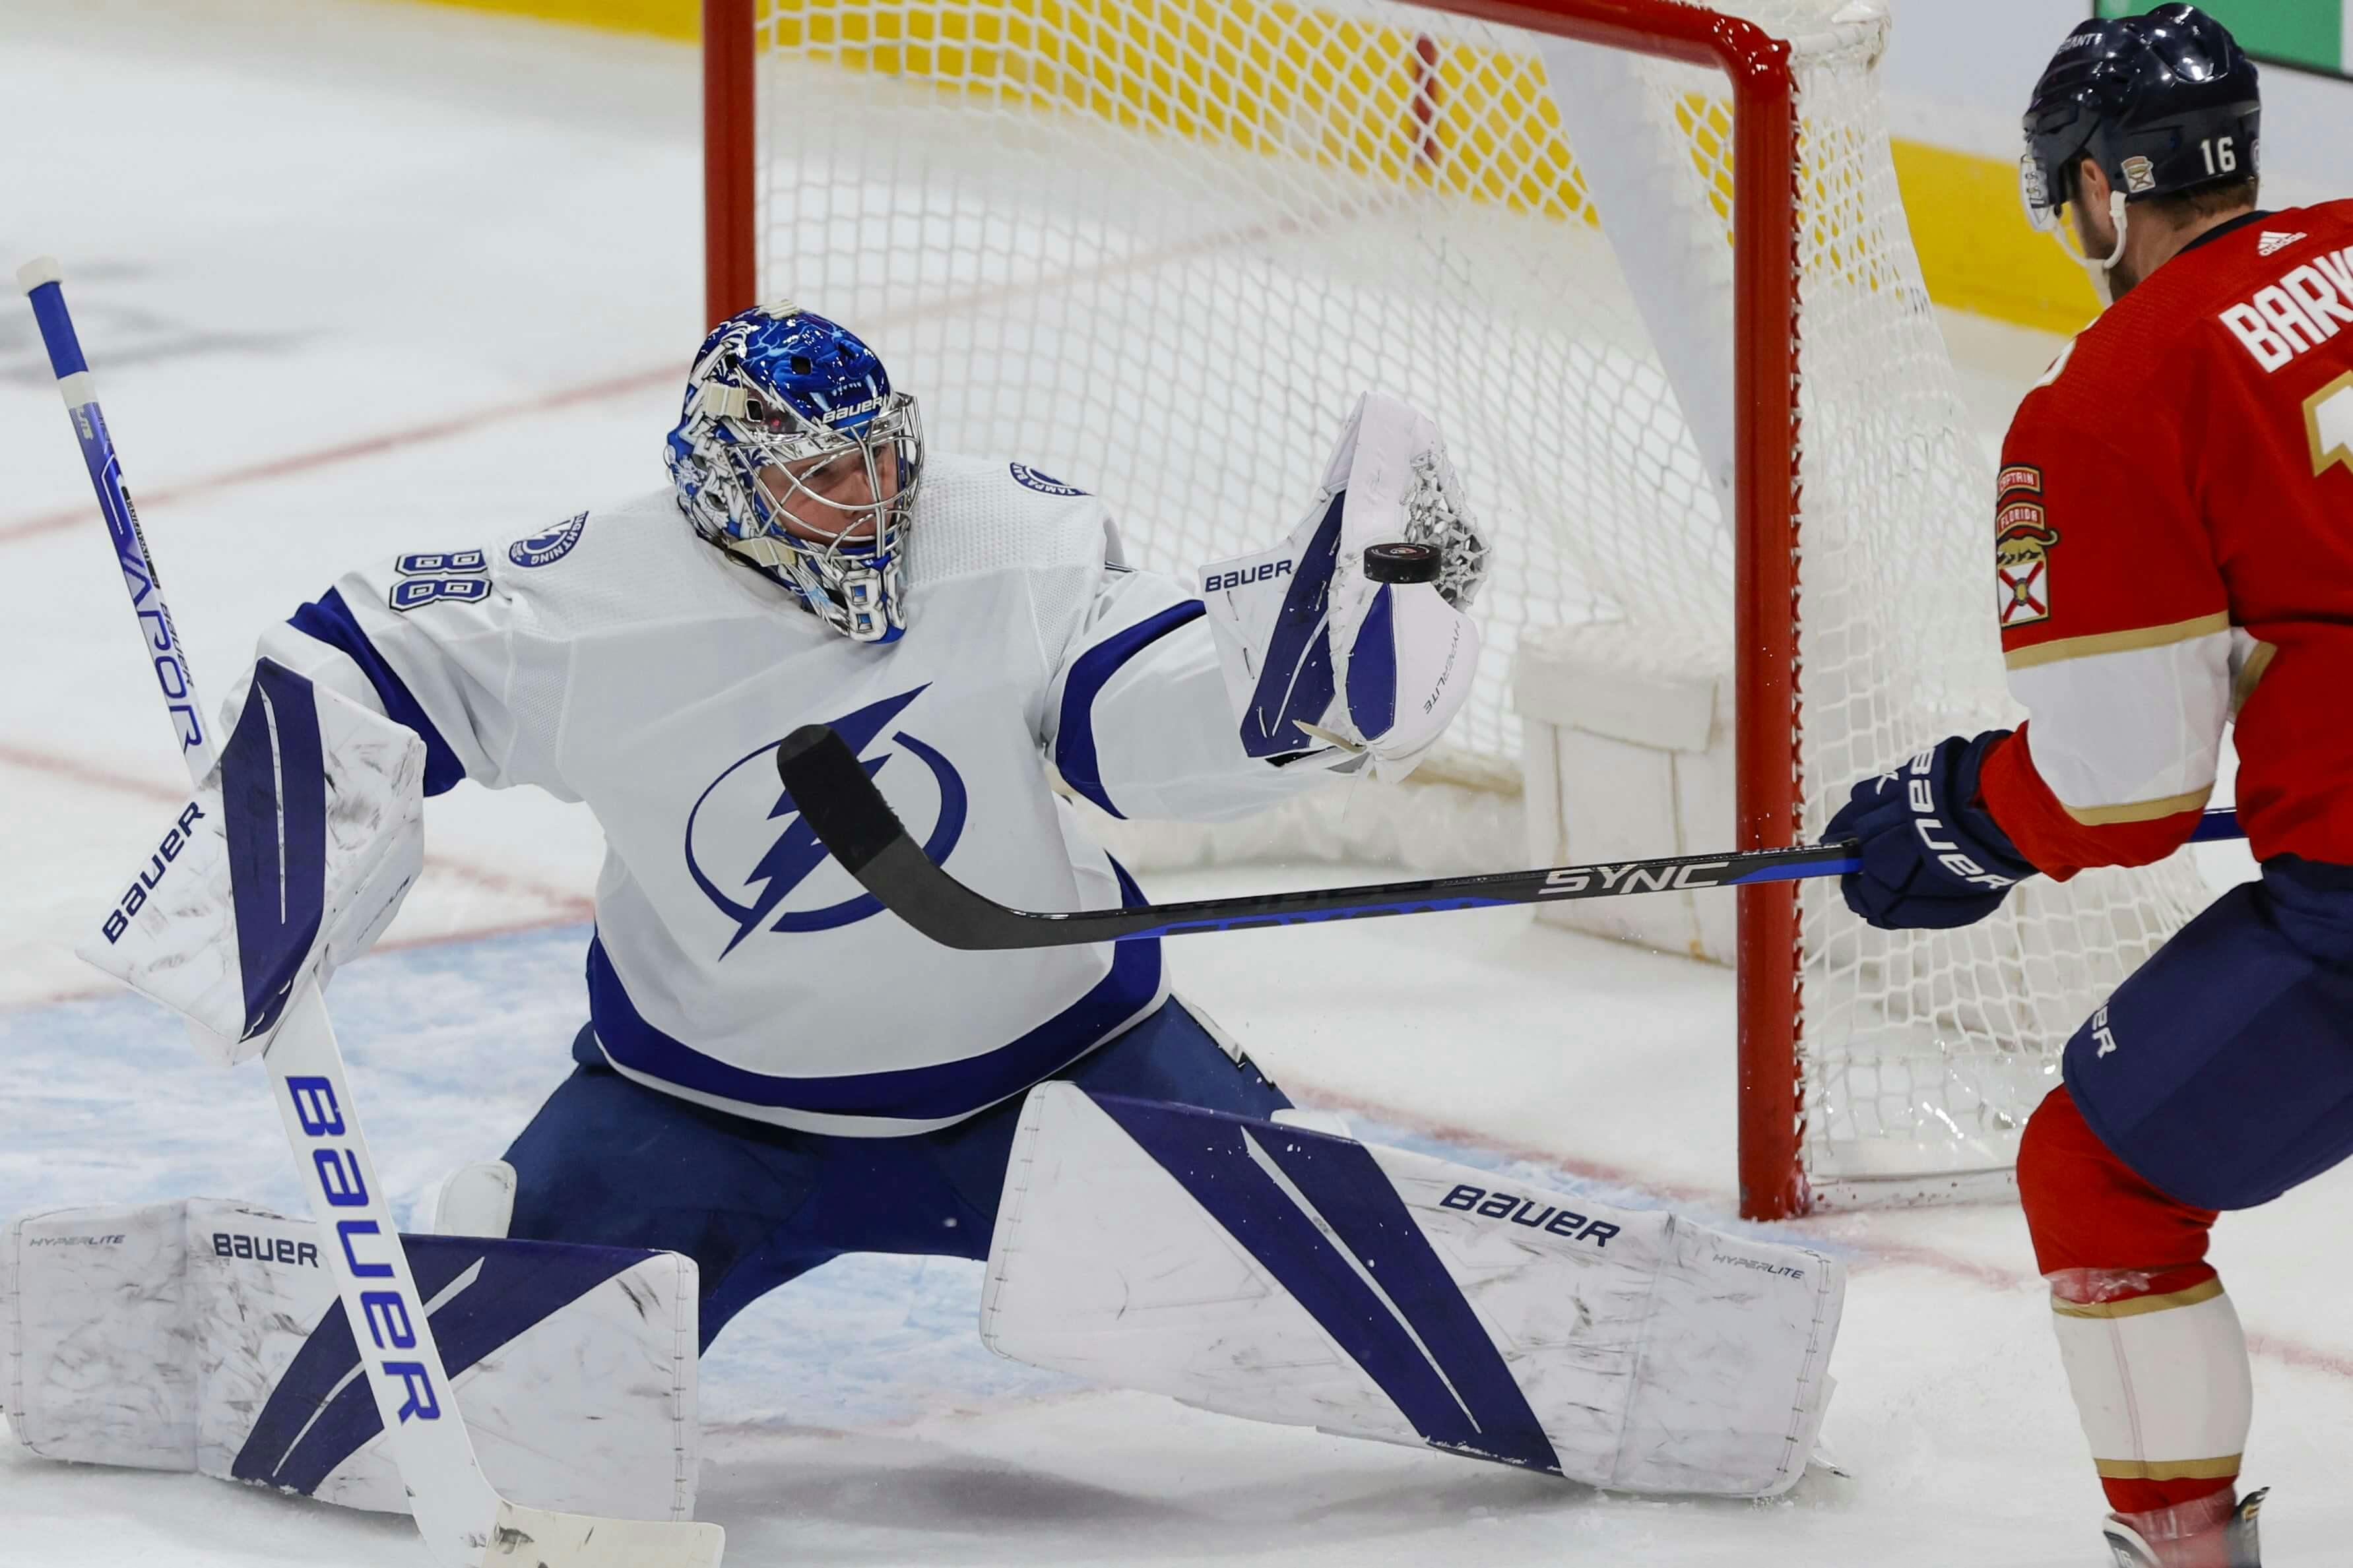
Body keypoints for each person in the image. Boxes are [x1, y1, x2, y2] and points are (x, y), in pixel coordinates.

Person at [173, 301, 1844, 1501]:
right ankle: (225, 1345)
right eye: (824, 481)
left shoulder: (1012, 537)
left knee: (1385, 1298)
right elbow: (366, 650)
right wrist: (289, 828)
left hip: (1070, 1076)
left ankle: (1662, 1375)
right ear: (724, 483)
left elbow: (1127, 710)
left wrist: (1292, 687)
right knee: (432, 1418)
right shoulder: (592, 598)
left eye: (883, 463)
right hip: (693, 1111)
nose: (872, 504)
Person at [1826, 7, 2352, 1564]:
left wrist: (1967, 814)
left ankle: (2184, 1552)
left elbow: (2122, 787)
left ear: (2101, 194)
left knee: (2097, 1169)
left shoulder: (2112, 398)